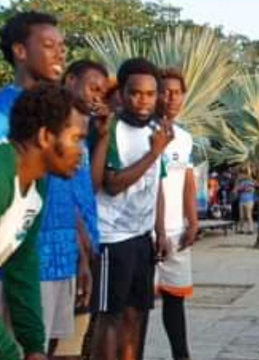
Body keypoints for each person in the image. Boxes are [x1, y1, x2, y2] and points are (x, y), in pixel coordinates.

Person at [89, 58, 173, 360]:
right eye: (135, 93)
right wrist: (154, 152)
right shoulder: (109, 129)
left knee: (137, 316)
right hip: (112, 239)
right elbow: (112, 184)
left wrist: (159, 231)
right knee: (109, 317)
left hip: (141, 238)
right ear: (122, 93)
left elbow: (156, 184)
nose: (143, 100)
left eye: (150, 94)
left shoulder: (157, 129)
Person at [0, 84, 89, 360]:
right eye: (76, 139)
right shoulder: (2, 173)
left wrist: (34, 347)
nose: (81, 151)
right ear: (44, 136)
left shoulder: (36, 188)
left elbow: (22, 268)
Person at [42, 60, 109, 360]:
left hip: (78, 251)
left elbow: (87, 188)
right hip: (53, 252)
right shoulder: (53, 125)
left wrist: (102, 137)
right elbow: (58, 195)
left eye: (102, 92)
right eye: (93, 88)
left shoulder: (83, 130)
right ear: (70, 80)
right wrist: (80, 246)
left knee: (72, 345)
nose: (97, 97)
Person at [156, 68, 198, 360]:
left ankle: (181, 356)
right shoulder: (143, 133)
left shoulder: (184, 138)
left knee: (175, 298)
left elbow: (187, 181)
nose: (171, 98)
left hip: (176, 231)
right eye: (165, 91)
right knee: (135, 306)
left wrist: (192, 221)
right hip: (145, 232)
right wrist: (157, 229)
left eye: (177, 92)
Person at [236, 170, 256, 234]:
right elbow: (237, 189)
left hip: (249, 200)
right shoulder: (241, 182)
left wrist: (243, 189)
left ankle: (250, 229)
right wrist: (242, 188)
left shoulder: (251, 182)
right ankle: (241, 229)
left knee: (248, 216)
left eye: (243, 174)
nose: (242, 176)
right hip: (242, 200)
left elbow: (251, 189)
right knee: (241, 216)